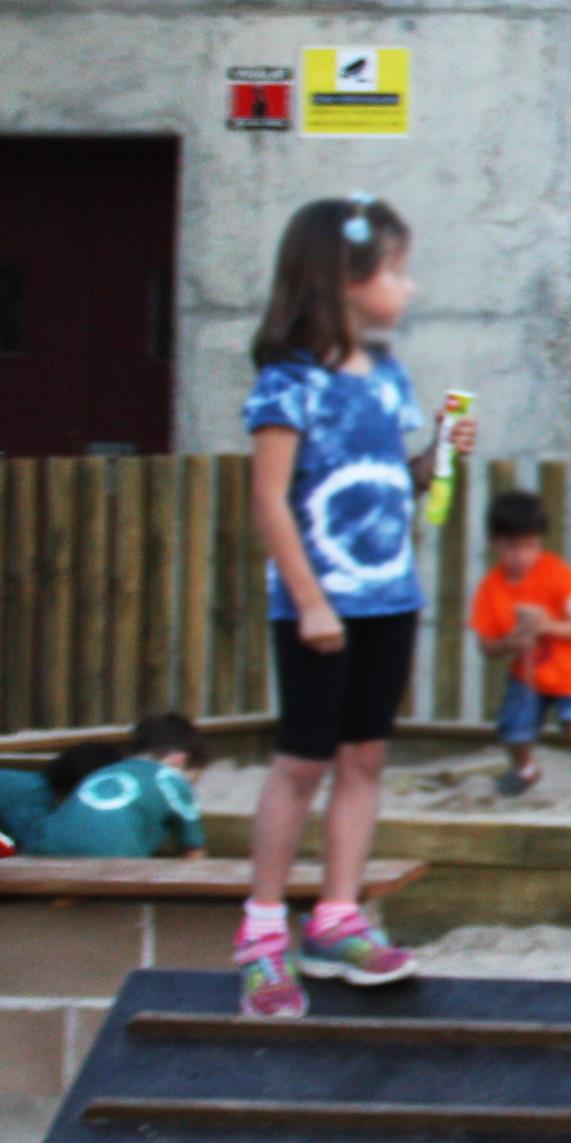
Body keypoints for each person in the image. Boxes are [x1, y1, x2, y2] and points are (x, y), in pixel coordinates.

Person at [239, 194, 471, 1019]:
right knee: (301, 764)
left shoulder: (387, 378)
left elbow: (398, 483)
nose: (409, 288)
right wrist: (310, 603)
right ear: (344, 279)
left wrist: (438, 454)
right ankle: (262, 935)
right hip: (320, 607)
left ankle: (337, 918)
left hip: (388, 599)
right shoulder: (288, 384)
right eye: (396, 272)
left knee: (364, 758)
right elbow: (270, 500)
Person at [470, 490, 571, 800]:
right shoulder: (491, 588)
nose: (521, 555)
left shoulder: (556, 573)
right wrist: (509, 642)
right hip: (529, 673)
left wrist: (546, 625)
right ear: (495, 544)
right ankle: (525, 769)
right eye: (512, 547)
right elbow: (486, 646)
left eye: (530, 546)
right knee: (514, 728)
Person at [24, 714, 207, 860]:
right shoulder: (170, 778)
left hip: (43, 849)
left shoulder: (103, 771)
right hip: (108, 860)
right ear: (179, 760)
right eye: (191, 782)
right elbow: (194, 851)